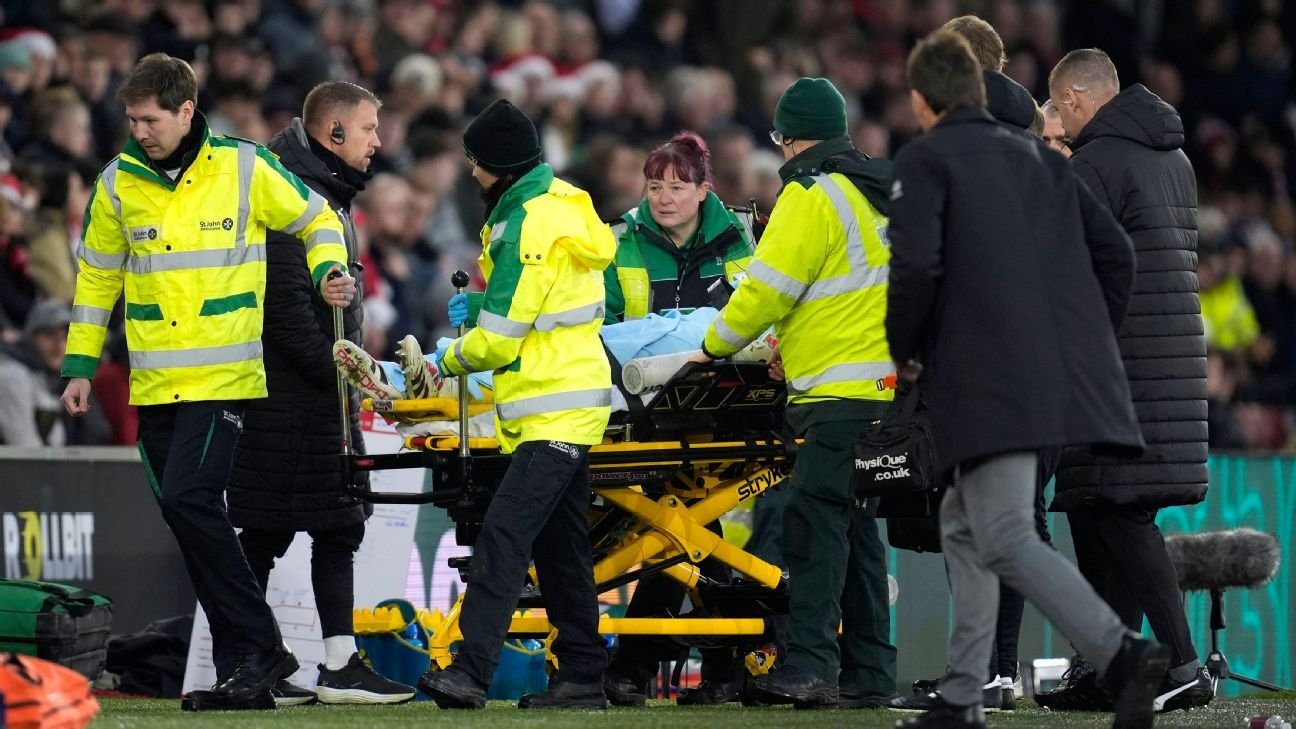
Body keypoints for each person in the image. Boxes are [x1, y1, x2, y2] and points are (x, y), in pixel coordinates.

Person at [59, 53, 355, 712]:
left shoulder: (244, 167)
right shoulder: (116, 184)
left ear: (186, 110)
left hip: (225, 378)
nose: (140, 130)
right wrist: (80, 365)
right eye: (132, 119)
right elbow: (97, 279)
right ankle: (248, 663)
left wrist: (326, 270)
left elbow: (316, 218)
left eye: (151, 119)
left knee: (192, 502)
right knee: (187, 516)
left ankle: (257, 648)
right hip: (155, 386)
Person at [886, 31, 1166, 729]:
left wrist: (905, 347)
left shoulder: (927, 159)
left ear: (923, 100)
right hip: (1040, 379)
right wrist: (1081, 339)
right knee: (961, 523)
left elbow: (914, 269)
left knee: (1006, 531)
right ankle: (964, 692)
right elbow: (1117, 256)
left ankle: (1122, 653)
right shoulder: (1039, 159)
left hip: (981, 382)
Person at [690, 76, 898, 709]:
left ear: (785, 137)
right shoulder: (877, 192)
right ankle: (868, 674)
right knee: (858, 535)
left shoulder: (811, 196)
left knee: (814, 533)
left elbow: (766, 290)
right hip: (883, 392)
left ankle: (809, 667)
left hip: (832, 395)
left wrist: (716, 345)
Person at [415, 99, 615, 710]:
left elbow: (503, 337)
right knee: (561, 549)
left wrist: (442, 360)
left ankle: (471, 672)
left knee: (504, 536)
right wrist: (479, 310)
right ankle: (582, 674)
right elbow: (539, 306)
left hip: (554, 409)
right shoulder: (557, 206)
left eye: (475, 163)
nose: (471, 174)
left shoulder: (524, 221)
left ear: (497, 166)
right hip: (566, 403)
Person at [225, 80, 415, 706]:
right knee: (272, 535)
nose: (377, 142)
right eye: (367, 130)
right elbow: (283, 315)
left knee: (326, 528)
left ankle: (316, 664)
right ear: (332, 135)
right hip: (292, 401)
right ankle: (264, 665)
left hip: (316, 399)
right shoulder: (291, 200)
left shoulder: (322, 194)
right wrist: (348, 375)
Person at [1043, 48, 1213, 713]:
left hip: (1119, 364)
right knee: (1093, 504)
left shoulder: (1095, 165)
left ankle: (1182, 662)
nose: (1060, 118)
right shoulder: (1176, 159)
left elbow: (1069, 270)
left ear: (1078, 101)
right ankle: (1112, 666)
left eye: (1059, 106)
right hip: (1165, 361)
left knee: (1122, 505)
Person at [596, 131, 758, 707]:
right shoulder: (622, 242)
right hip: (649, 410)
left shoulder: (738, 240)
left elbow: (757, 315)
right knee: (686, 527)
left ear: (703, 190)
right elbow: (610, 325)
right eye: (655, 186)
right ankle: (727, 663)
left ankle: (643, 668)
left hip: (723, 407)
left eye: (677, 186)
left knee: (681, 527)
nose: (663, 198)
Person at [0, 298, 106, 446]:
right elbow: (25, 450)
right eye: (50, 335)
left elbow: (96, 430)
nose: (59, 345)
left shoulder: (52, 375)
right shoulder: (12, 374)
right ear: (32, 337)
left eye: (64, 337)